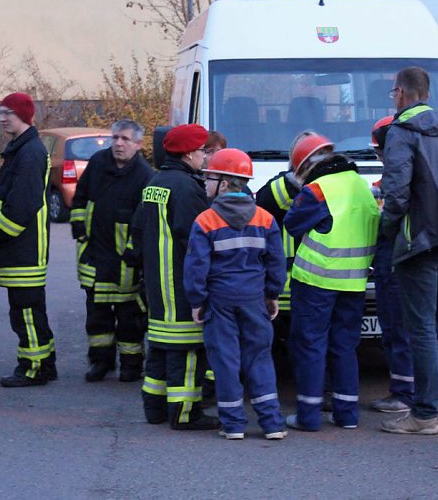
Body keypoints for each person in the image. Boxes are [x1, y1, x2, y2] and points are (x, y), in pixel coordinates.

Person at [379, 67, 438, 435]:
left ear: (402, 93)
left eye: (394, 93)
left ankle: (423, 414)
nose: (394, 98)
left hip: (418, 240)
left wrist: (387, 228)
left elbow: (397, 190)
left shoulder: (401, 131)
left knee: (420, 327)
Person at [184, 149, 288, 440]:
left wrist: (197, 300)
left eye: (210, 177)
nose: (205, 182)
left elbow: (196, 266)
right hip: (254, 299)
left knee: (225, 361)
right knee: (259, 358)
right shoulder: (266, 219)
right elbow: (276, 263)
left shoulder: (205, 220)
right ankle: (272, 424)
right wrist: (272, 294)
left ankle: (233, 425)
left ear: (226, 182)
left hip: (219, 301)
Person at [283, 131, 380, 431]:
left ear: (305, 167)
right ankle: (347, 415)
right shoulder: (362, 186)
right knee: (345, 347)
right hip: (353, 283)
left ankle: (309, 417)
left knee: (311, 346)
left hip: (316, 280)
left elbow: (292, 223)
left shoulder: (318, 190)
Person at [132, 123, 219, 430]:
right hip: (179, 280)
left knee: (160, 345)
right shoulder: (186, 188)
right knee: (187, 349)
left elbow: (138, 228)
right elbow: (194, 238)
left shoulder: (156, 182)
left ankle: (154, 408)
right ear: (188, 154)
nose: (205, 158)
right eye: (202, 152)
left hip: (157, 279)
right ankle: (185, 414)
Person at [0, 92, 56, 388]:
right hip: (22, 247)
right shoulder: (23, 149)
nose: (1, 118)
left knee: (25, 311)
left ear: (23, 114)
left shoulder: (30, 152)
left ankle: (33, 368)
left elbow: (22, 203)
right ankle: (45, 363)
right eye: (0, 112)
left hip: (23, 248)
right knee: (30, 309)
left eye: (7, 112)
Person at [70, 119, 154, 382]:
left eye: (125, 139)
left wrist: (134, 252)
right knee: (97, 318)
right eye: (115, 138)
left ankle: (131, 364)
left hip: (125, 262)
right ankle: (100, 362)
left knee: (129, 318)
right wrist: (79, 230)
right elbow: (80, 198)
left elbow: (145, 221)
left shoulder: (145, 176)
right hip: (94, 255)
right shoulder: (97, 164)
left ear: (138, 145)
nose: (118, 143)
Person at [369, 116, 415, 414]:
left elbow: (388, 221)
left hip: (394, 262)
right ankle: (410, 391)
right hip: (411, 261)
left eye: (378, 152)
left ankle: (403, 394)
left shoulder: (392, 185)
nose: (378, 157)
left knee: (398, 330)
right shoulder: (416, 176)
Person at [254, 135, 310, 372]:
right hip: (283, 288)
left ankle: (317, 393)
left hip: (307, 286)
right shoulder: (278, 187)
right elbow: (269, 200)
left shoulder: (327, 188)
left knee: (310, 346)